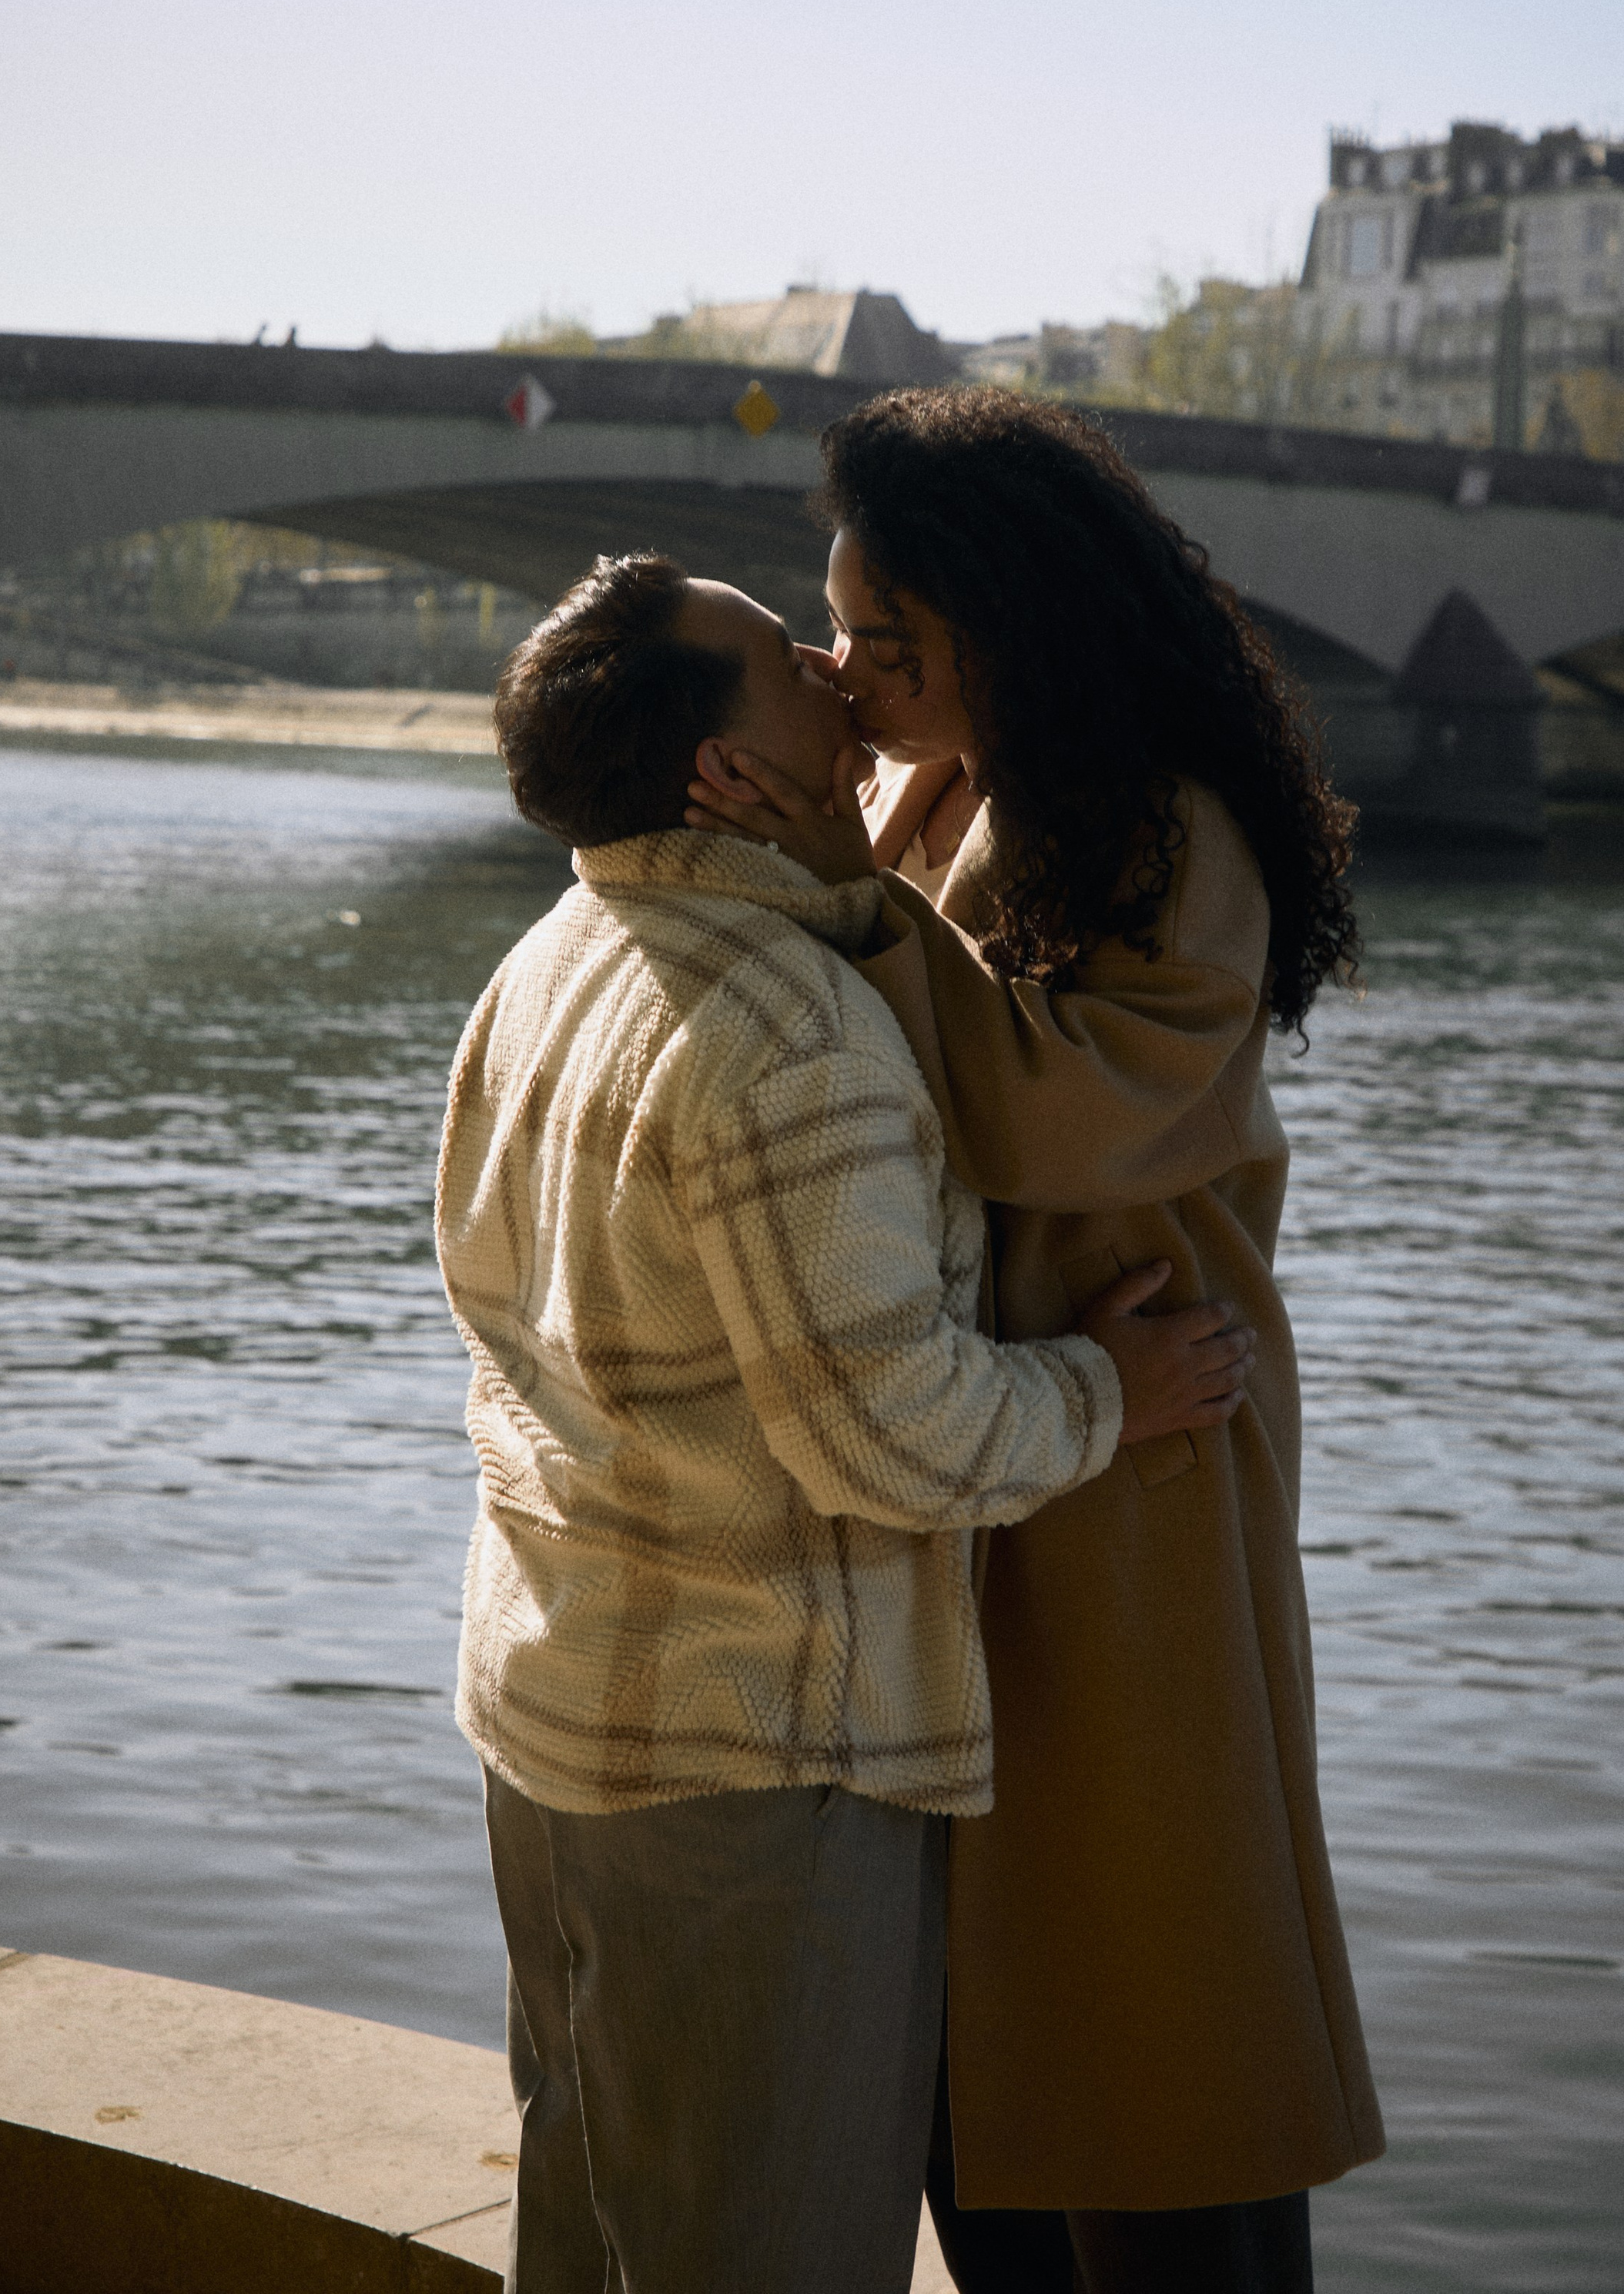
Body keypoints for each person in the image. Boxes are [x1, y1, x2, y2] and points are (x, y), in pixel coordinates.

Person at [437, 548, 1257, 2294]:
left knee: (588, 2227)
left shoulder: (553, 961)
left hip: (555, 1702)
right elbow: (890, 1435)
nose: (829, 666)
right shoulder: (792, 1034)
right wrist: (1112, 1391)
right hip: (755, 1765)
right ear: (725, 770)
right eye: (783, 655)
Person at [685, 388, 1386, 2294]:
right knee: (1000, 1949)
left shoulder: (1165, 822)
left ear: (1012, 627)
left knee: (1146, 1943)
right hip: (1025, 1429)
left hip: (1142, 1452)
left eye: (888, 641)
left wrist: (844, 885)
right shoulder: (951, 781)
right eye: (839, 627)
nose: (846, 669)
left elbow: (1050, 1119)